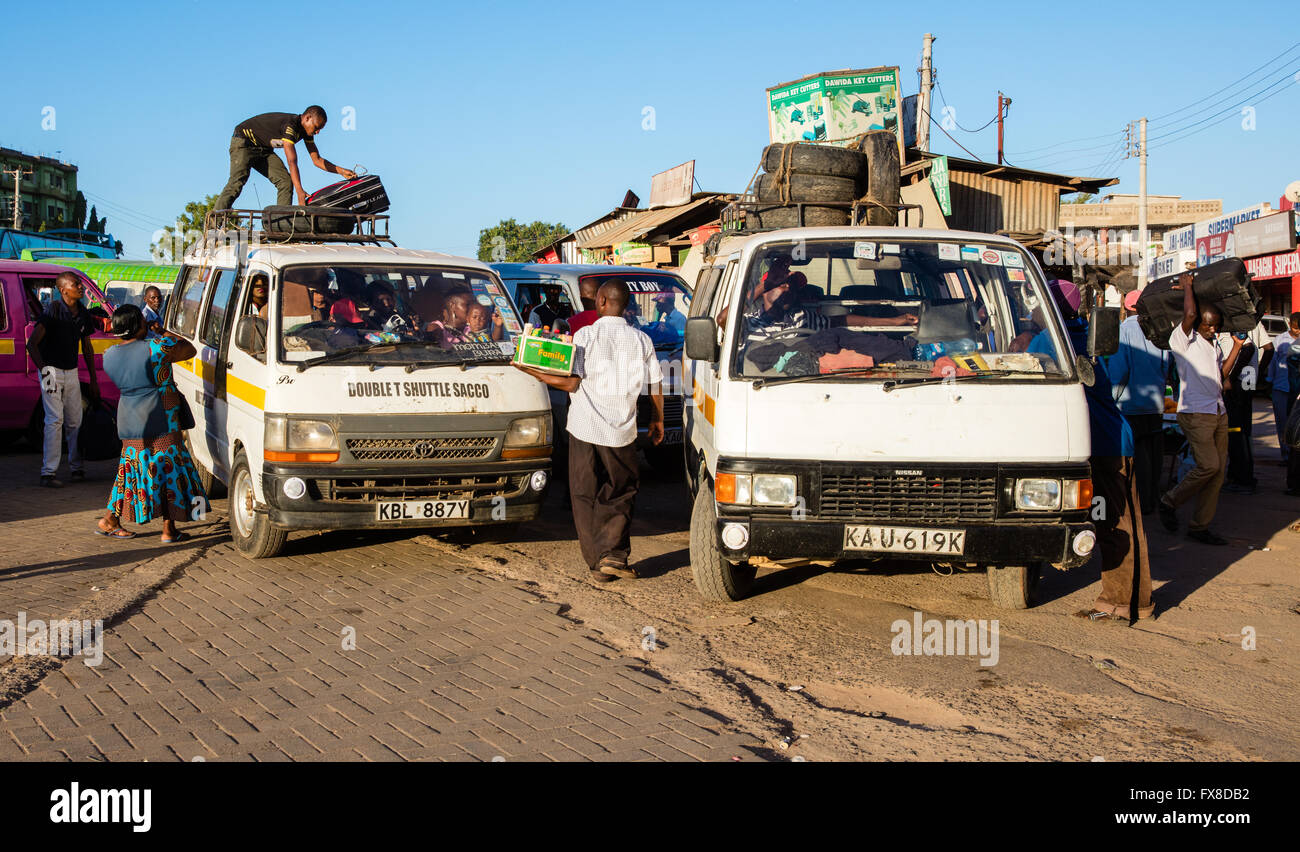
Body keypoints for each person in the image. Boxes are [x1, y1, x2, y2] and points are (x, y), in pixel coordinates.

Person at [514, 280, 664, 584]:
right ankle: (614, 554)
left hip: (584, 426)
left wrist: (532, 371)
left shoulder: (586, 335)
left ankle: (597, 563)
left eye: (597, 298)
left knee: (583, 494)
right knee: (621, 490)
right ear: (625, 305)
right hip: (622, 430)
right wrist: (658, 419)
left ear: (603, 301)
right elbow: (656, 382)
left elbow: (570, 383)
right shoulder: (641, 340)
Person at [97, 305, 207, 543]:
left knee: (131, 470)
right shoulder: (156, 347)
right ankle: (169, 529)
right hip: (161, 415)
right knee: (169, 468)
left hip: (129, 418)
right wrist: (163, 331)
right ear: (139, 325)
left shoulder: (109, 355)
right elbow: (189, 349)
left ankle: (110, 520)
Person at [1070, 313, 1151, 621]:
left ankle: (1115, 603)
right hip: (1119, 440)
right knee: (1131, 525)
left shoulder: (1053, 341)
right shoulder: (1088, 339)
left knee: (1112, 524)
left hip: (1104, 446)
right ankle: (1139, 603)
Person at [1157, 272, 1240, 545]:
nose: (1212, 330)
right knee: (1208, 465)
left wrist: (1236, 348)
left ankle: (1199, 526)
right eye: (1208, 326)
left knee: (1217, 473)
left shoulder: (1210, 345)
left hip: (1217, 410)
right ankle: (1169, 501)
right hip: (1195, 412)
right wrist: (1189, 287)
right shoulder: (1183, 340)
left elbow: (1222, 376)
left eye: (1215, 326)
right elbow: (1191, 315)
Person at [25, 271, 102, 488]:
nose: (80, 287)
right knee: (54, 421)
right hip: (52, 373)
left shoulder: (83, 313)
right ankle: (48, 473)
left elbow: (86, 347)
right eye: (76, 284)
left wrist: (94, 380)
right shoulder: (53, 311)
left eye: (79, 284)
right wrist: (44, 370)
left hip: (72, 372)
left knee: (75, 421)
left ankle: (76, 468)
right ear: (63, 289)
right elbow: (32, 344)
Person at [212, 106, 356, 213]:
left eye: (320, 130)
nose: (317, 132)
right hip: (244, 143)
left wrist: (341, 171)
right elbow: (292, 161)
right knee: (237, 181)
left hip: (264, 149)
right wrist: (300, 191)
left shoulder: (306, 132)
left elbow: (317, 159)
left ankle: (279, 226)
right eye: (316, 127)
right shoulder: (290, 126)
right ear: (307, 118)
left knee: (286, 182)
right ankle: (213, 225)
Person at [1107, 289, 1169, 514]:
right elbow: (1165, 366)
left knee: (1138, 458)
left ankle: (1141, 503)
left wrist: (1112, 397)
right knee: (1154, 457)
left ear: (1127, 307)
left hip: (1130, 405)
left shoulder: (1124, 330)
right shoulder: (1158, 330)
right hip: (1155, 404)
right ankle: (1153, 499)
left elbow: (1119, 370)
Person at [1269, 312, 1300, 464]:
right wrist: (1269, 381)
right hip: (1281, 387)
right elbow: (1272, 363)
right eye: (1295, 328)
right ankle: (1286, 454)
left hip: (1297, 390)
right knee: (1282, 423)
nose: (1297, 331)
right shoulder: (1279, 340)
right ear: (1290, 324)